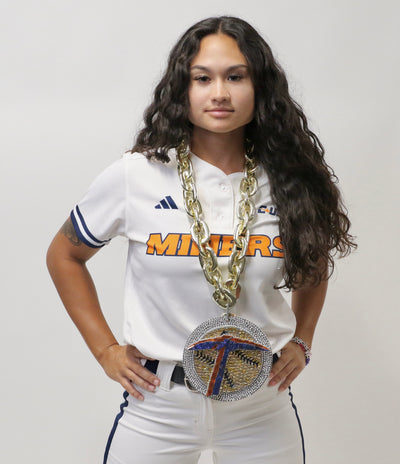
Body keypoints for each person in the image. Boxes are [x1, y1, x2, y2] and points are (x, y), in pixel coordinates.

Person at [47, 16, 356, 464]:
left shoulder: (290, 179)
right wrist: (105, 350)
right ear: (182, 88)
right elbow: (64, 255)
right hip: (157, 402)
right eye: (202, 78)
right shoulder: (137, 175)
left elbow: (313, 263)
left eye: (236, 76)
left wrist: (302, 340)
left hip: (261, 406)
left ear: (260, 86)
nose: (220, 93)